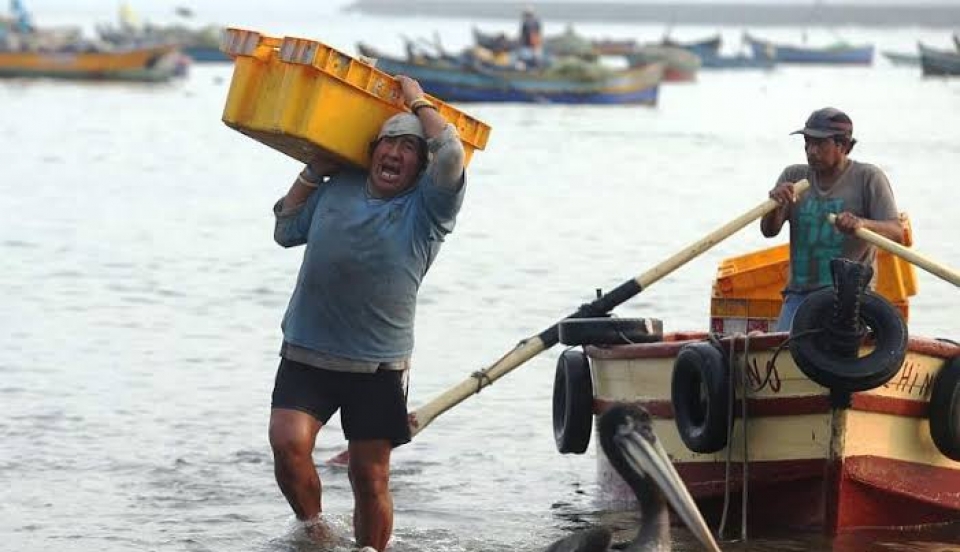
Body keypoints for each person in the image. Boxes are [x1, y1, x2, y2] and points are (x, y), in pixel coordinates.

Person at [268, 75, 466, 552]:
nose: (394, 154)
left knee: (368, 475)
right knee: (288, 444)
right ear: (372, 150)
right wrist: (313, 170)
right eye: (387, 144)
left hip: (377, 364)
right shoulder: (340, 185)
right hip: (307, 350)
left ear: (420, 166)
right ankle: (314, 531)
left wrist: (416, 99)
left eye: (408, 149)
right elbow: (284, 228)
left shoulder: (428, 210)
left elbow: (453, 154)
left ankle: (371, 550)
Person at [760, 107, 904, 331]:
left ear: (843, 146)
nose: (811, 151)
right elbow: (769, 231)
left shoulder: (868, 178)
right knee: (784, 352)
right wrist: (776, 205)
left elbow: (897, 233)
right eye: (807, 143)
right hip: (800, 295)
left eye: (819, 144)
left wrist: (861, 224)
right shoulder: (793, 177)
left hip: (852, 298)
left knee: (843, 352)